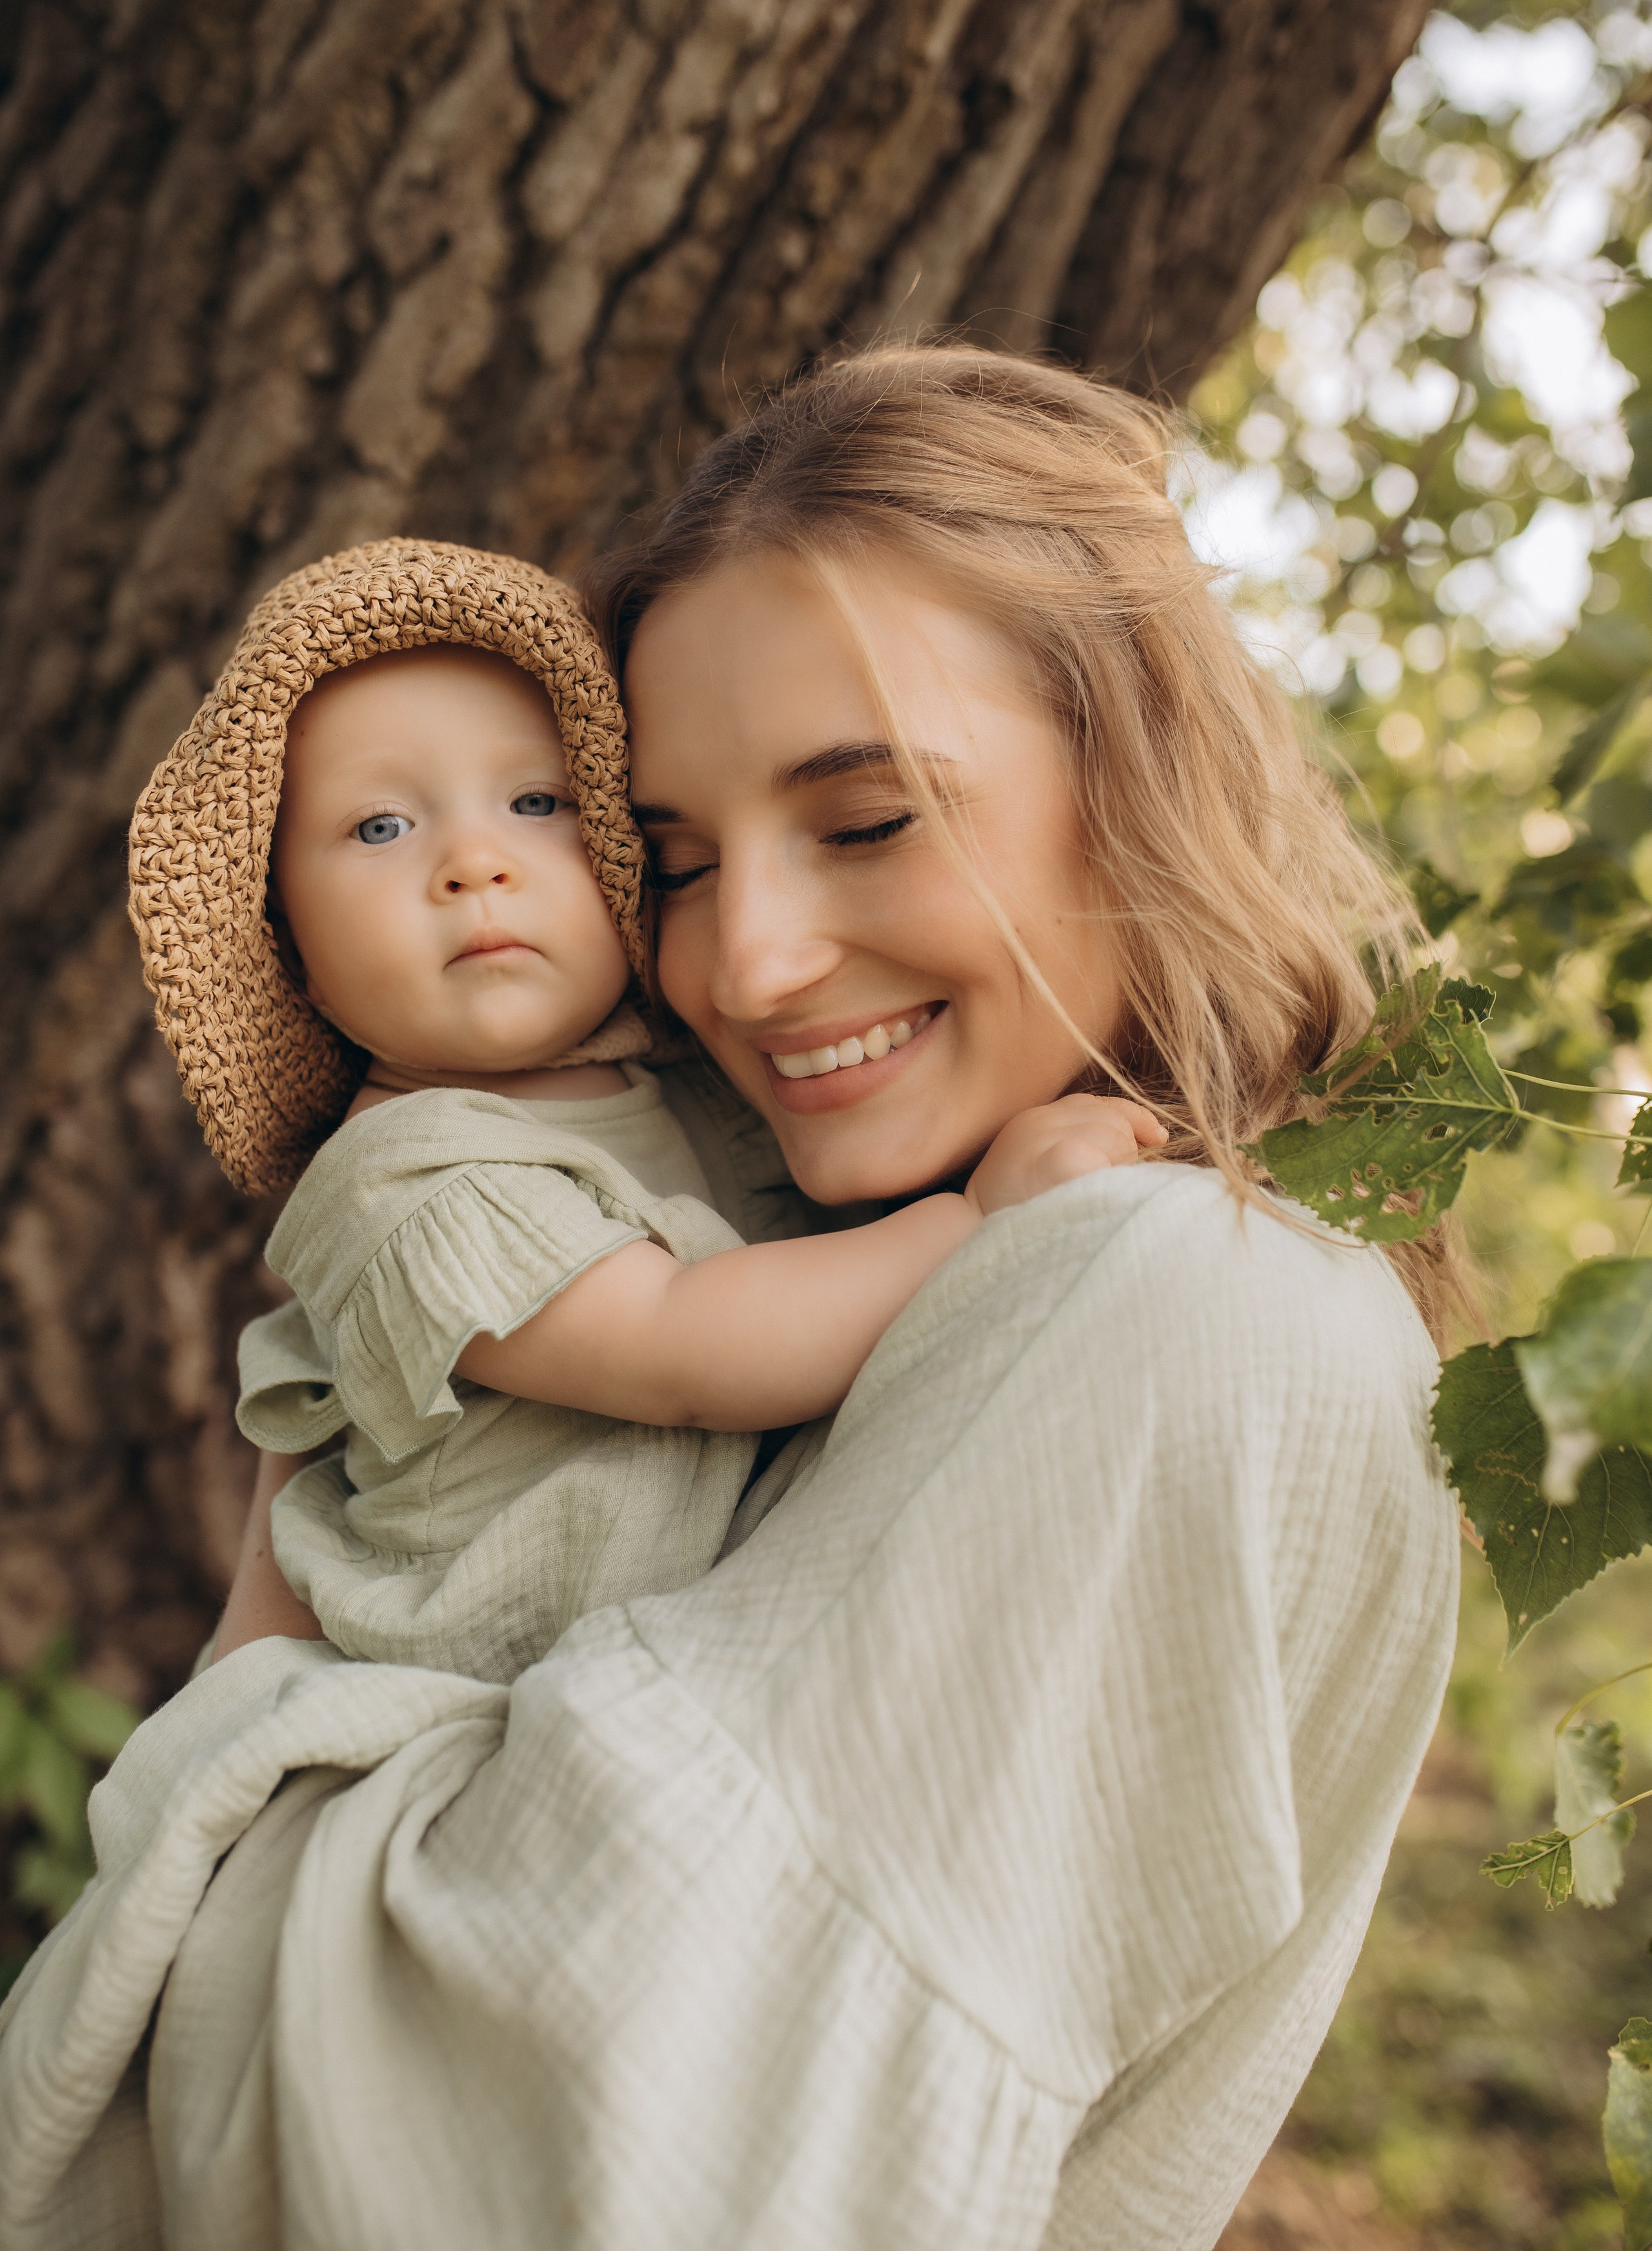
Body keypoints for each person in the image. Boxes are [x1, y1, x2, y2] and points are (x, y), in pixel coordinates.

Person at [0, 349, 1459, 2251]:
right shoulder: (837, 1234)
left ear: (1140, 783)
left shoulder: (1200, 1301)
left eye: (866, 820)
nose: (746, 966)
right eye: (674, 864)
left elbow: (672, 2133)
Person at [134, 545, 1154, 1683]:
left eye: (536, 804)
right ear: (295, 959)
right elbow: (685, 1343)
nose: (475, 863)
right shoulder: (404, 1183)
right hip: (464, 1698)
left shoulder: (695, 1091)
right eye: (380, 828)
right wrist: (977, 1218)